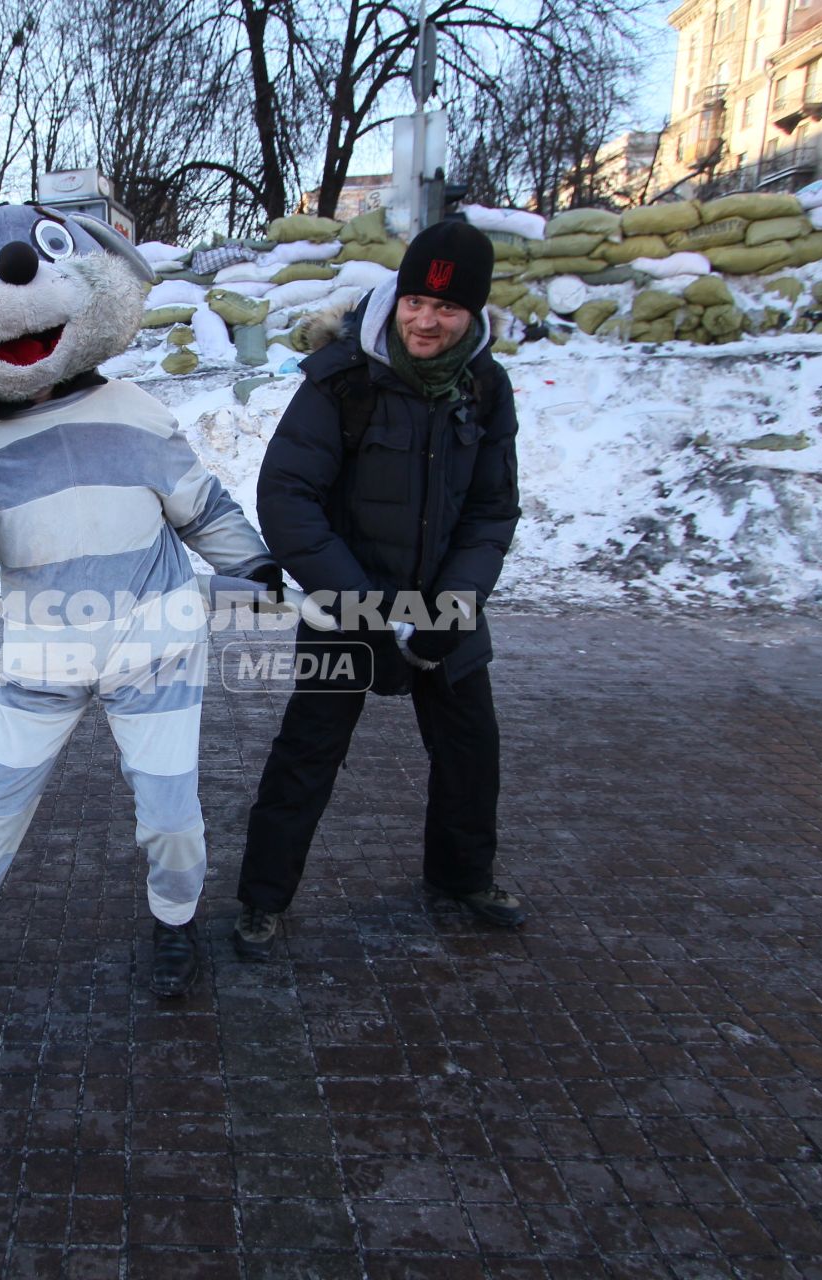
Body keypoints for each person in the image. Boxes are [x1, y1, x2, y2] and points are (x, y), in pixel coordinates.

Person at [0, 204, 282, 1015]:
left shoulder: (133, 410)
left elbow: (198, 505)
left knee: (172, 815)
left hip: (158, 648)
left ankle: (174, 926)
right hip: (44, 660)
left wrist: (253, 568)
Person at [234, 219, 523, 960]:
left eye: (449, 310)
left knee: (471, 750)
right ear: (398, 297)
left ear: (474, 315)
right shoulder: (344, 378)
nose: (427, 321)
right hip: (347, 604)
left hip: (442, 610)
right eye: (417, 303)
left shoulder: (485, 388)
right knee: (308, 753)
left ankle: (463, 877)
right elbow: (287, 499)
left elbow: (492, 509)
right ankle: (261, 900)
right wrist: (359, 606)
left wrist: (454, 608)